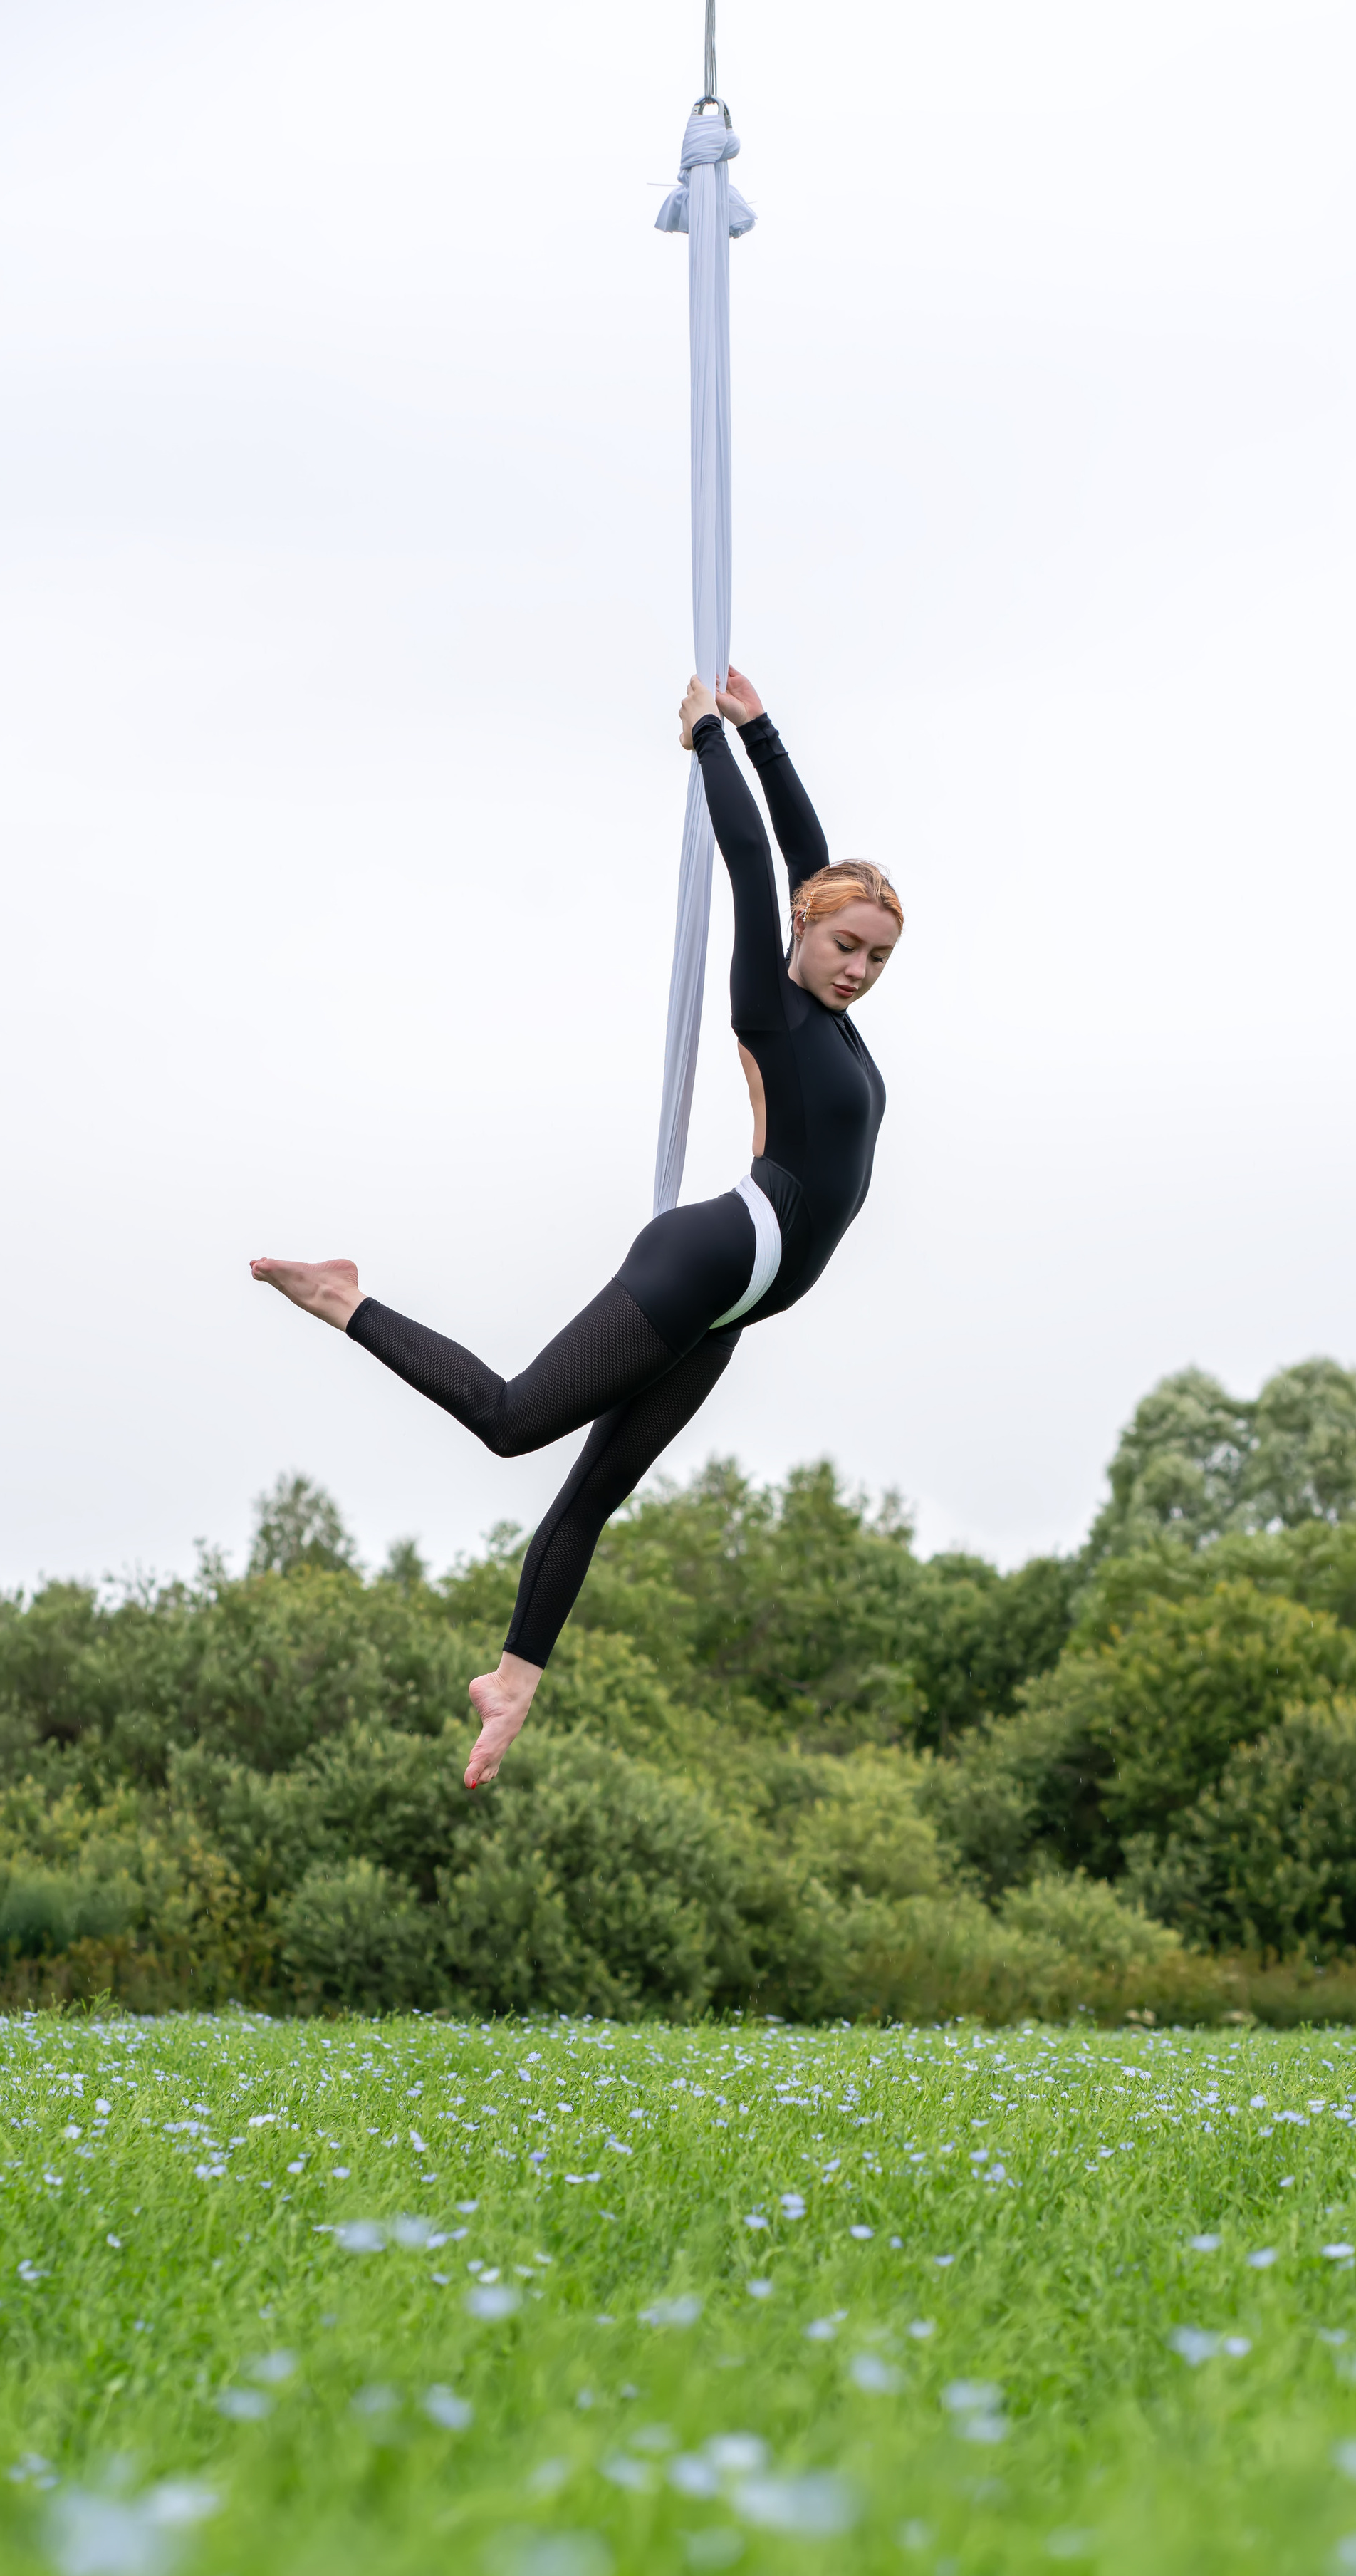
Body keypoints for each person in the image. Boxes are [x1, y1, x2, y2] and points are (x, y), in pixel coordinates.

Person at [251, 667, 903, 1786]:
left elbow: (810, 858)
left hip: (733, 1306)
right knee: (514, 1421)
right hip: (711, 1259)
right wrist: (711, 742)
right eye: (848, 945)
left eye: (879, 957)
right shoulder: (773, 1002)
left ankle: (513, 1681)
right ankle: (344, 1298)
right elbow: (761, 862)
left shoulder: (836, 1017)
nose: (860, 969)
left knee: (595, 1493)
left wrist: (764, 730)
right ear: (807, 933)